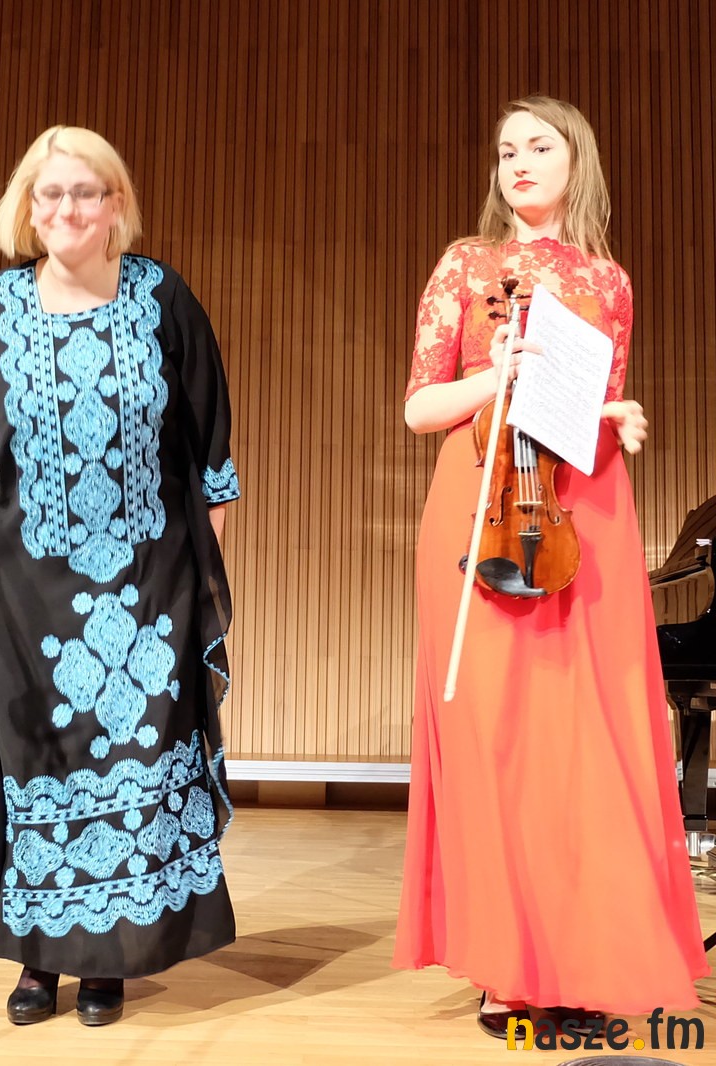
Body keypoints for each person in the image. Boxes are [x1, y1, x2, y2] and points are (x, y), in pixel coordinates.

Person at [393, 95, 709, 1035]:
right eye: (506, 151)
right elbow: (418, 407)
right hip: (480, 507)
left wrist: (622, 416)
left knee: (585, 744)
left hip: (581, 509)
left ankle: (585, 957)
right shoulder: (467, 264)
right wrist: (496, 372)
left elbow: (591, 405)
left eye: (538, 146)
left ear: (578, 162)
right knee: (495, 740)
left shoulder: (608, 281)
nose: (519, 162)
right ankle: (506, 965)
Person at [0, 126, 241, 1026]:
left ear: (116, 205)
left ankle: (111, 958)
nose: (66, 208)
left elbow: (210, 448)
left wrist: (193, 575)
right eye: (50, 193)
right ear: (27, 208)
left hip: (148, 590)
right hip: (23, 589)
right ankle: (39, 958)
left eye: (85, 192)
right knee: (34, 757)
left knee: (134, 761)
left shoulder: (163, 298)